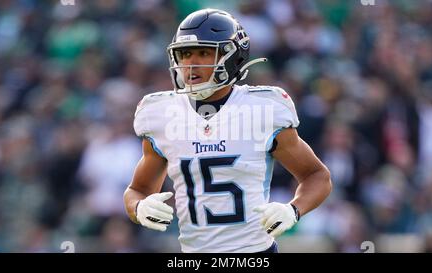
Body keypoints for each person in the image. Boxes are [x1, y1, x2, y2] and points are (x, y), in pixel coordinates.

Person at [123, 8, 332, 253]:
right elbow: (137, 189)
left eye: (203, 53)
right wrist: (139, 207)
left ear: (233, 57)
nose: (191, 63)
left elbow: (317, 176)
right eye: (185, 54)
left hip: (254, 253)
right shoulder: (161, 113)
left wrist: (293, 209)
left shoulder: (262, 109)